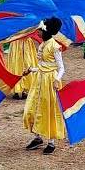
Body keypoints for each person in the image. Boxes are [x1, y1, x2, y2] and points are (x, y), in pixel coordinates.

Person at [22, 18, 66, 154]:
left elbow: (61, 68)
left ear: (44, 31)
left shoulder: (54, 47)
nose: (37, 32)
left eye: (39, 30)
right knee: (32, 108)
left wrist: (56, 80)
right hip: (39, 79)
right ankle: (37, 137)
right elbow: (43, 66)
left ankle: (51, 142)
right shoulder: (43, 45)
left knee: (49, 110)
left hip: (50, 82)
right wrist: (31, 70)